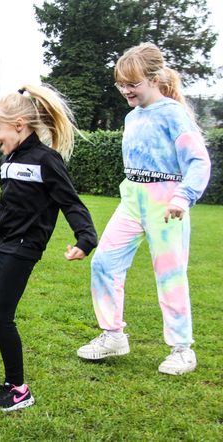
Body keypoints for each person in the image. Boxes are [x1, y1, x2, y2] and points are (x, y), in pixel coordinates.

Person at [0, 84, 98, 411]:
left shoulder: (47, 160)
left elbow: (71, 203)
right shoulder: (10, 156)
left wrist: (86, 238)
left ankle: (18, 389)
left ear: (20, 126)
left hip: (21, 249)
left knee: (1, 317)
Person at [77, 43, 211, 376]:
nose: (125, 90)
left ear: (153, 79)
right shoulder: (131, 116)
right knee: (104, 262)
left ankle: (182, 350)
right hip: (131, 198)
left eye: (132, 83)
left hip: (167, 203)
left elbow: (198, 161)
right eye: (121, 83)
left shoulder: (173, 114)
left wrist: (183, 197)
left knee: (170, 274)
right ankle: (113, 335)